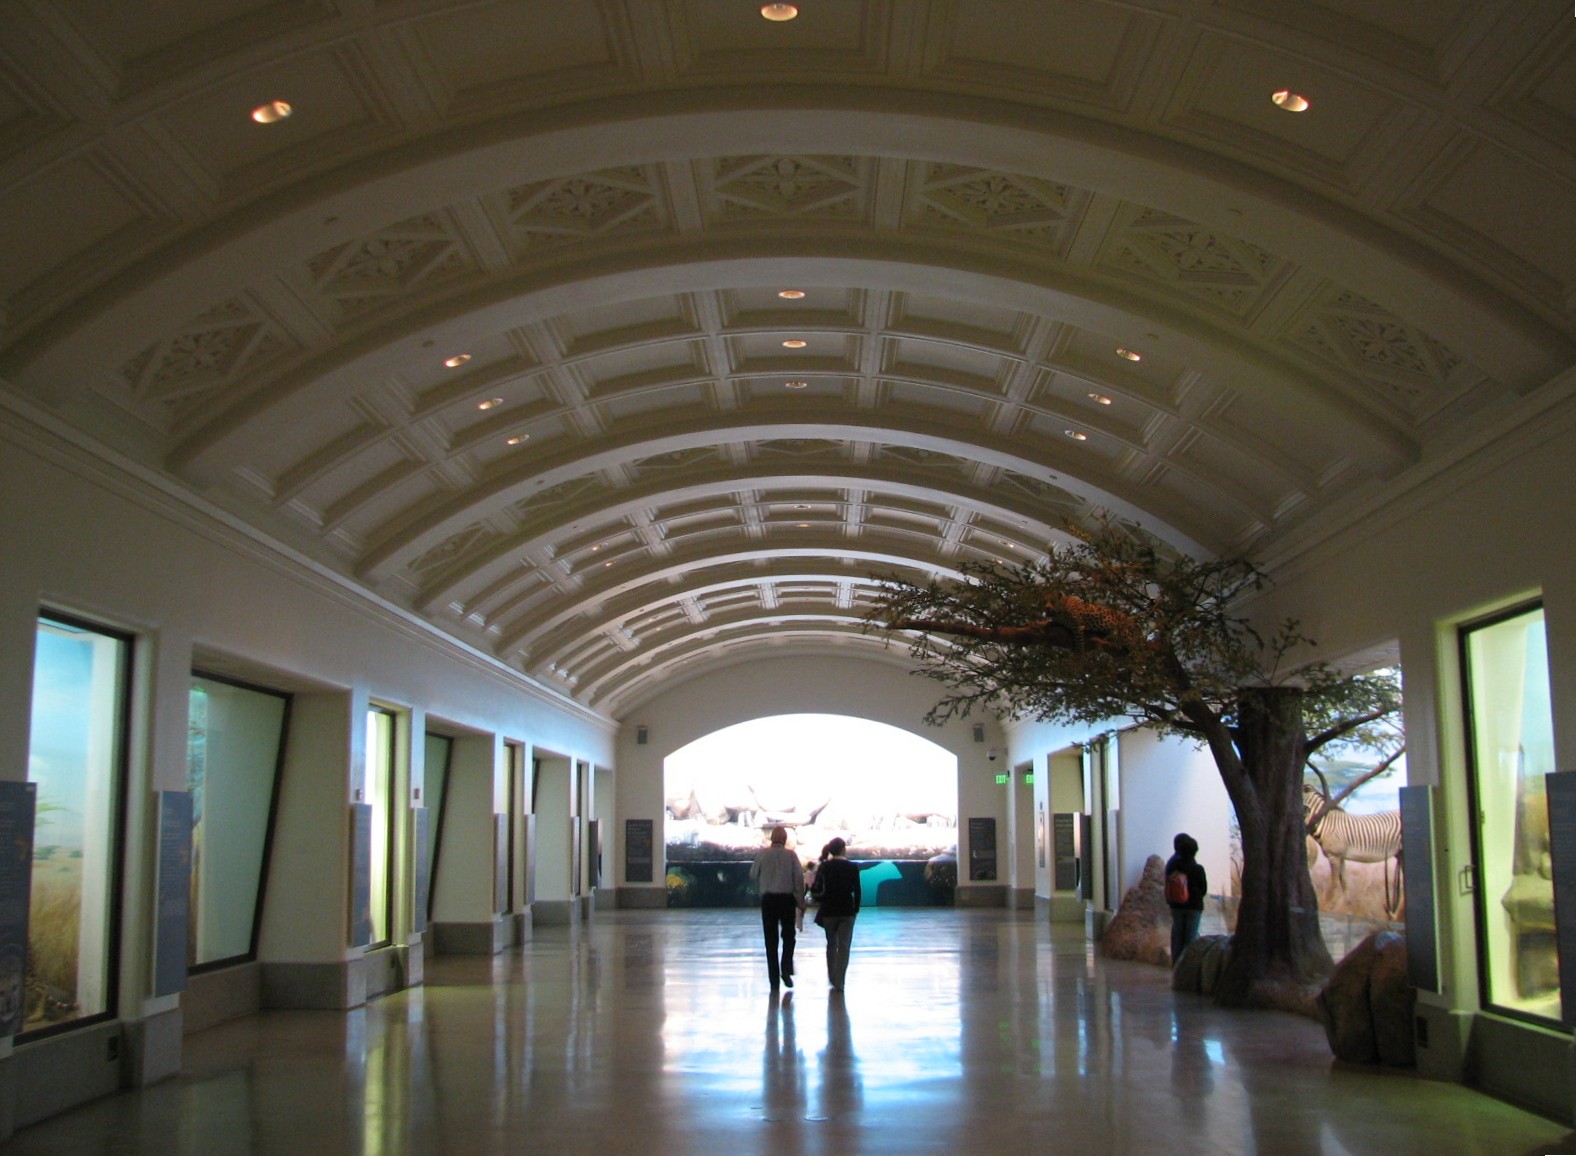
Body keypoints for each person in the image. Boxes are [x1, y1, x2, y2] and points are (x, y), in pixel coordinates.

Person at [750, 825, 801, 988]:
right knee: (789, 937)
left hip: (768, 900)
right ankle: (785, 969)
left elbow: (753, 874)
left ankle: (774, 980)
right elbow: (799, 879)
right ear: (785, 839)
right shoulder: (791, 855)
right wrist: (800, 901)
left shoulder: (762, 854)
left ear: (771, 838)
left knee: (770, 940)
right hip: (787, 899)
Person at [812, 837, 861, 992]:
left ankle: (832, 976)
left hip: (828, 911)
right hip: (846, 911)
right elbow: (857, 890)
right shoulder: (852, 867)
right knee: (844, 946)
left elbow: (817, 887)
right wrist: (855, 909)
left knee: (831, 944)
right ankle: (840, 979)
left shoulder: (824, 866)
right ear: (843, 849)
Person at [1165, 832, 1208, 966]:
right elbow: (1203, 889)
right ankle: (1187, 968)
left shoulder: (1173, 866)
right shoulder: (1198, 869)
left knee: (1177, 937)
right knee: (1190, 938)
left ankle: (1176, 966)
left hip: (1176, 906)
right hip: (1193, 907)